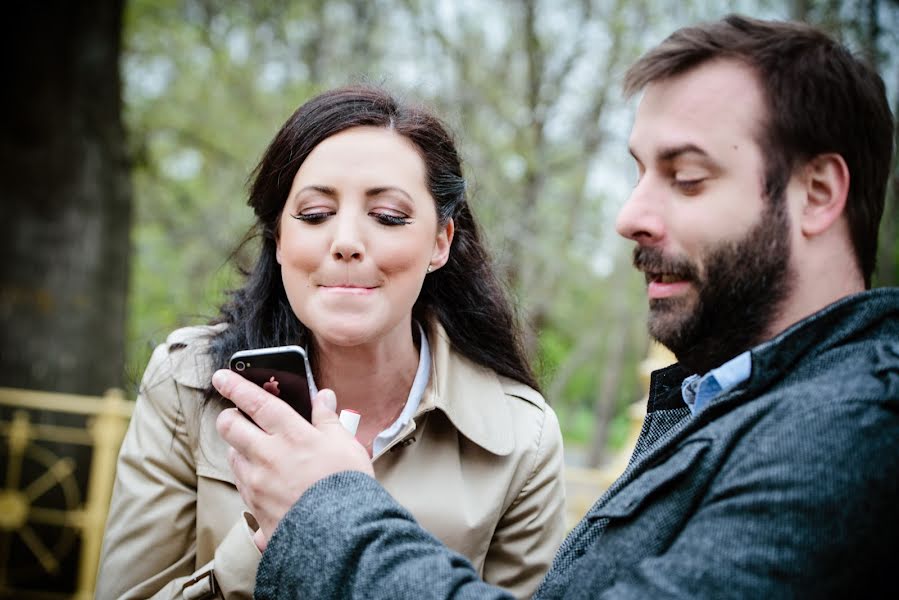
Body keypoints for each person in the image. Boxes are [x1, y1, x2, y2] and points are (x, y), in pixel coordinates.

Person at [215, 14, 899, 599]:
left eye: (686, 179)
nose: (629, 215)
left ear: (816, 193)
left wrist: (324, 509)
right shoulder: (734, 399)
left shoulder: (852, 431)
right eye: (636, 173)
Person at [96, 86, 567, 599]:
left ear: (440, 242)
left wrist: (326, 528)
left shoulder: (522, 437)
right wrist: (267, 542)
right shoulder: (186, 385)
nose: (346, 241)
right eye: (315, 214)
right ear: (278, 238)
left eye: (388, 217)